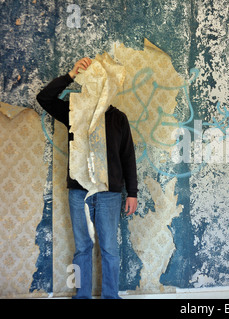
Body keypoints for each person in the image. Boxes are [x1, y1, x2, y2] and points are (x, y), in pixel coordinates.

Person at [37, 57, 138, 299]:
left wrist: (132, 192)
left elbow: (128, 157)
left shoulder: (118, 118)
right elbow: (45, 99)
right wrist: (70, 75)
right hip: (79, 192)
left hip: (109, 193)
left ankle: (110, 296)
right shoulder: (73, 112)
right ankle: (81, 296)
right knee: (82, 248)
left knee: (110, 249)